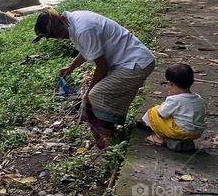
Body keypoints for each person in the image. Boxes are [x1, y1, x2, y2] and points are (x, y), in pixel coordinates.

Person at [33, 8, 156, 149]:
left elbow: (101, 66)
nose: (62, 37)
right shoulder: (72, 22)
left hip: (136, 63)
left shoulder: (82, 29)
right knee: (95, 100)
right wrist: (71, 67)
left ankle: (108, 146)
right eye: (55, 36)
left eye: (59, 33)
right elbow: (89, 50)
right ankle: (109, 141)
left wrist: (88, 93)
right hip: (127, 63)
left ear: (62, 20)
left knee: (95, 96)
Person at [141, 64, 205, 146]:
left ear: (171, 84)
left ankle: (159, 137)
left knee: (153, 111)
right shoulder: (198, 98)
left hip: (181, 132)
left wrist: (167, 100)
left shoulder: (174, 99)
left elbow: (162, 113)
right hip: (197, 133)